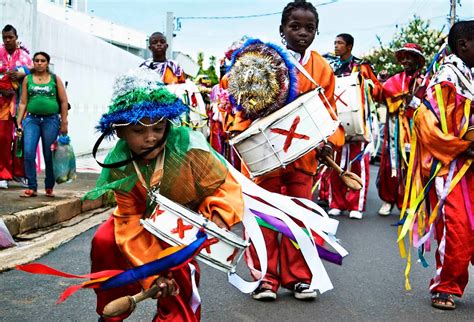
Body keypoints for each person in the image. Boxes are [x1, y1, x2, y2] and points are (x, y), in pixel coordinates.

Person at [85, 68, 244, 321]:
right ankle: (112, 310)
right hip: (139, 227)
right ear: (120, 131)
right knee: (104, 240)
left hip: (183, 228)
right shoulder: (120, 163)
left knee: (178, 277)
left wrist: (218, 216)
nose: (150, 138)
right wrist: (152, 273)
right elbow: (128, 219)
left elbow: (224, 187)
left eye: (158, 129)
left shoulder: (188, 149)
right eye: (139, 131)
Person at [227, 0, 345, 301]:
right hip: (265, 155)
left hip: (303, 156)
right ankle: (265, 278)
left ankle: (299, 278)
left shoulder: (322, 67)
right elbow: (240, 98)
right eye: (295, 26)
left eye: (309, 28)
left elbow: (329, 110)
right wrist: (240, 128)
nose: (302, 33)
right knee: (264, 214)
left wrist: (328, 141)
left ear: (317, 32)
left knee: (300, 215)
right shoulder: (262, 59)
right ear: (282, 29)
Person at [406, 20, 473, 311]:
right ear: (463, 45)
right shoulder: (446, 77)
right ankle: (445, 285)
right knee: (458, 227)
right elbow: (427, 123)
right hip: (453, 166)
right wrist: (464, 145)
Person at [324, 33, 383, 219]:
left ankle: (355, 205)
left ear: (349, 46)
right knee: (335, 164)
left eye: (339, 43)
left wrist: (365, 85)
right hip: (336, 123)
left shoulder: (361, 66)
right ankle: (336, 203)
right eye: (335, 43)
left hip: (357, 122)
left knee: (358, 164)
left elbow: (377, 91)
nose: (336, 46)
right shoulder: (331, 67)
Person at [376, 42, 426, 216]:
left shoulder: (425, 81)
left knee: (413, 166)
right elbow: (382, 97)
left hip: (416, 129)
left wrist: (413, 101)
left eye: (409, 57)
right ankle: (388, 200)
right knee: (392, 164)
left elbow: (431, 105)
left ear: (417, 59)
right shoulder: (395, 80)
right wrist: (381, 82)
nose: (405, 60)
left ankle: (410, 203)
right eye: (403, 57)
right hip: (394, 128)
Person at [15, 52, 69, 197]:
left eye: (42, 61)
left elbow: (64, 102)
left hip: (51, 121)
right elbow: (23, 102)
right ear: (33, 62)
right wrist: (18, 121)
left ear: (47, 63)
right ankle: (32, 187)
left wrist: (64, 122)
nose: (39, 63)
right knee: (28, 152)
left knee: (49, 154)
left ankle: (49, 186)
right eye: (37, 60)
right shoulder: (28, 79)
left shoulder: (54, 79)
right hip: (31, 120)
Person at [0, 24, 32, 189]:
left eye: (10, 37)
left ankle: (20, 174)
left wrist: (23, 72)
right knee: (3, 139)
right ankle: (3, 174)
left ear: (16, 37)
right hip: (2, 105)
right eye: (4, 37)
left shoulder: (25, 56)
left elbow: (35, 72)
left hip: (21, 104)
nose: (7, 40)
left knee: (22, 138)